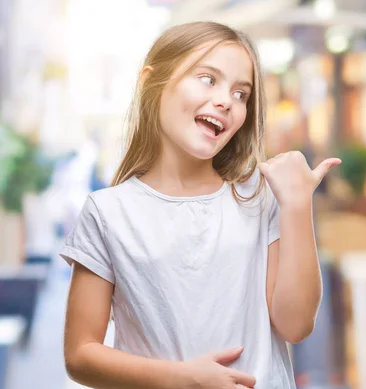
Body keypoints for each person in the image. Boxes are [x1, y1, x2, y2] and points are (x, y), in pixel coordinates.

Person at [60, 21, 341, 389]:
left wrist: (297, 205)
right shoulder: (108, 212)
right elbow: (80, 355)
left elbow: (296, 324)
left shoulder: (259, 197)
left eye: (241, 94)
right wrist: (183, 378)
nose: (227, 100)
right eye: (208, 79)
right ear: (150, 82)